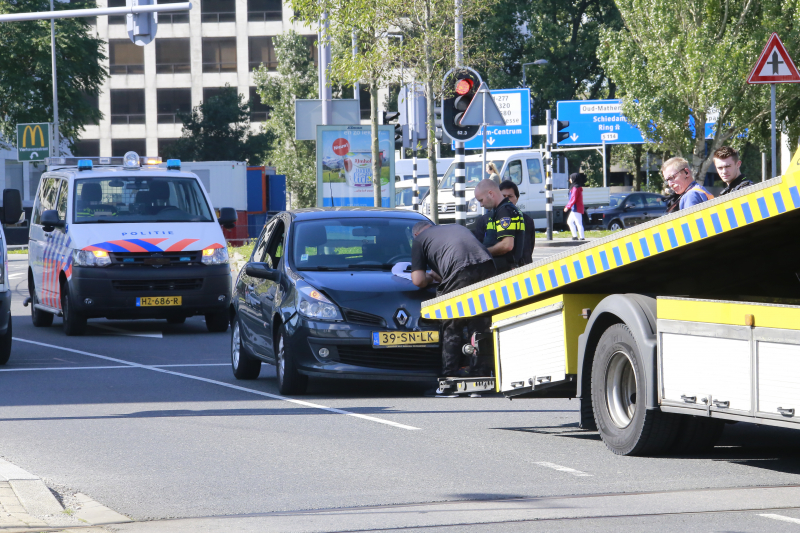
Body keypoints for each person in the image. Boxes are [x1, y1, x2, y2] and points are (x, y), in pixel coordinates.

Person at [411, 222, 496, 378]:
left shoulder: (419, 240)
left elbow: (418, 280)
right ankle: (481, 374)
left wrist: (430, 277)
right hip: (487, 266)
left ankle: (450, 375)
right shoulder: (455, 227)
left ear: (416, 234)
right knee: (480, 322)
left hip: (461, 271)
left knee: (452, 323)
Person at [473, 179, 525, 273]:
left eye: (481, 200)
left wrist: (483, 253)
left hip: (504, 271)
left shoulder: (505, 211)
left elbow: (507, 245)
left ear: (490, 193)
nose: (481, 204)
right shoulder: (500, 210)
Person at [499, 180, 535, 264]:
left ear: (517, 198)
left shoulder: (528, 220)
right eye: (503, 196)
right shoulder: (489, 219)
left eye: (510, 196)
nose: (506, 199)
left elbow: (529, 247)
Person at [564, 173, 586, 240]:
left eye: (571, 178)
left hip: (576, 208)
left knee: (578, 223)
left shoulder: (575, 188)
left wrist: (567, 207)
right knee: (570, 222)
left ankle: (581, 237)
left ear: (574, 179)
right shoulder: (577, 187)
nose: (569, 179)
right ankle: (575, 236)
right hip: (576, 208)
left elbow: (573, 198)